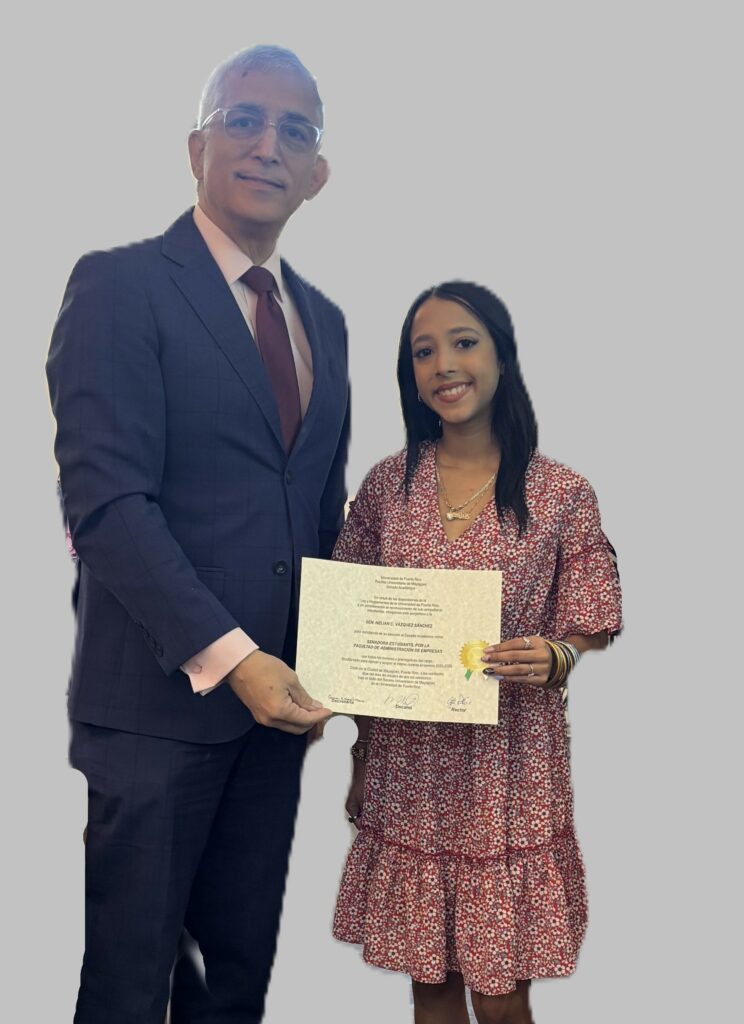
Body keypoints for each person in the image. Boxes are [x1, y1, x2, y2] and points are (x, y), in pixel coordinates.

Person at [46, 44, 348, 1024]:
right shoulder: (120, 286)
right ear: (196, 148)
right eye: (243, 120)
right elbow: (108, 509)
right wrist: (236, 660)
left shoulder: (324, 322)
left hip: (277, 723)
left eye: (293, 131)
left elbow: (321, 513)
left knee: (232, 983)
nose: (267, 146)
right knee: (131, 990)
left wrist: (365, 652)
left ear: (317, 172)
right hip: (155, 717)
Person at [331, 282, 622, 1024]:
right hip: (410, 768)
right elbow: (350, 624)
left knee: (500, 999)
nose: (443, 365)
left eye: (463, 342)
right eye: (422, 351)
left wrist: (558, 654)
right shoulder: (387, 486)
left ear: (501, 355)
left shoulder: (561, 492)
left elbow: (592, 616)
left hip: (508, 772)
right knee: (430, 987)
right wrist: (360, 755)